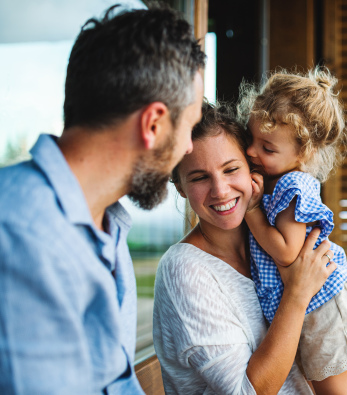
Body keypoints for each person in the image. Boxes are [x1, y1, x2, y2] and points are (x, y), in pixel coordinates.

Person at [153, 102, 347, 395]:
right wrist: (298, 291)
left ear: (253, 166)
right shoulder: (185, 269)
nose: (221, 190)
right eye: (198, 177)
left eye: (231, 169)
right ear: (179, 186)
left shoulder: (264, 243)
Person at [0, 5, 205, 394]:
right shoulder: (21, 235)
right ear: (154, 124)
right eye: (190, 127)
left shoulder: (106, 223)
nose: (188, 146)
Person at [239, 67, 347, 393]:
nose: (252, 152)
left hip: (324, 312)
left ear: (304, 153)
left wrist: (252, 211)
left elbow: (286, 251)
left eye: (267, 148)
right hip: (310, 307)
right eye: (250, 140)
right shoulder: (278, 181)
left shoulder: (293, 187)